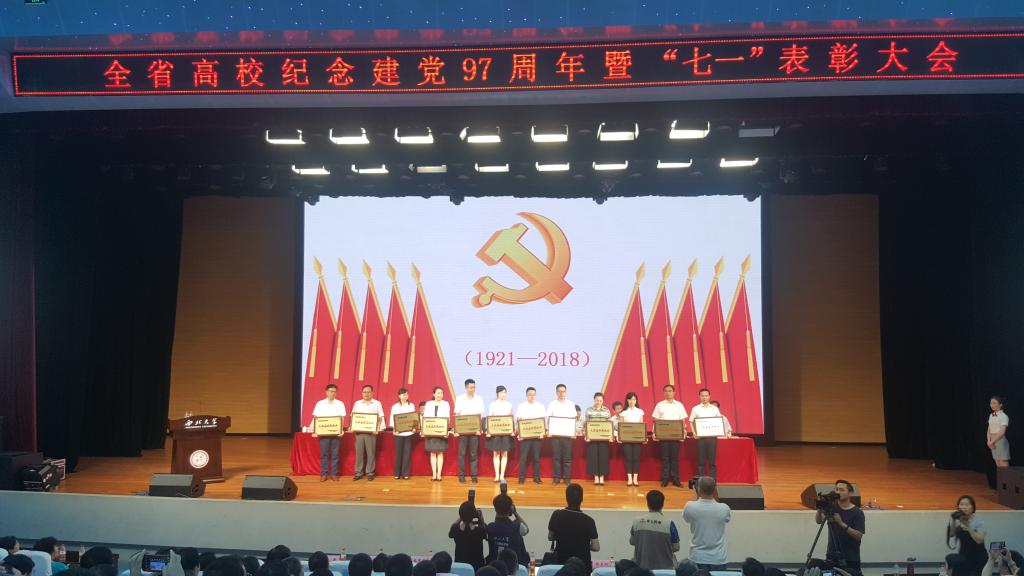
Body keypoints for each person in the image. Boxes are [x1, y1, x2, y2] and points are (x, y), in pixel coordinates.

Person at [814, 479, 865, 576]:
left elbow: (859, 536)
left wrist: (841, 523)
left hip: (850, 558)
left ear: (850, 493)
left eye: (842, 490)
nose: (838, 492)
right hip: (831, 556)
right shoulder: (832, 507)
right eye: (837, 489)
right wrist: (820, 508)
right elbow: (819, 521)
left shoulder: (857, 512)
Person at [548, 483, 600, 573]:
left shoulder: (556, 515)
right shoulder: (589, 521)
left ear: (566, 498)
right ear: (582, 499)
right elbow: (596, 547)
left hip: (562, 565)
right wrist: (582, 544)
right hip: (583, 567)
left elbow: (550, 537)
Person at [681, 476, 731, 571]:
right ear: (714, 489)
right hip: (718, 558)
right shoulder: (724, 508)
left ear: (699, 490)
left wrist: (695, 494)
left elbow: (687, 518)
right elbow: (725, 516)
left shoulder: (689, 506)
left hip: (697, 557)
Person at [630, 490, 681, 569]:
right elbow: (676, 547)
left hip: (642, 569)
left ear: (647, 504)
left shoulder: (636, 521)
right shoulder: (669, 524)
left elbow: (632, 541)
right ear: (663, 504)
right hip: (665, 570)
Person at [652, 384, 688, 488]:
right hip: (664, 435)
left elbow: (682, 420)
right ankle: (665, 479)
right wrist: (654, 432)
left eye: (670, 391)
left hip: (676, 435)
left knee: (675, 458)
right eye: (666, 391)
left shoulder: (679, 405)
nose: (668, 393)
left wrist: (683, 433)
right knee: (665, 458)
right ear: (663, 393)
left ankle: (676, 480)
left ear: (674, 392)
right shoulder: (659, 405)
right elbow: (656, 420)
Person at [309, 383, 346, 481]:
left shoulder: (340, 404)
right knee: (324, 454)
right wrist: (315, 430)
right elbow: (316, 418)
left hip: (336, 433)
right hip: (323, 433)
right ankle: (323, 474)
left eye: (335, 391)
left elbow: (342, 418)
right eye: (331, 391)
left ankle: (334, 474)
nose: (333, 393)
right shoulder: (320, 404)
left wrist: (341, 430)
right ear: (326, 392)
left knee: (335, 455)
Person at [350, 384, 386, 481]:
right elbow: (353, 416)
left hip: (371, 432)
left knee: (371, 453)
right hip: (359, 432)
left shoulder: (377, 403)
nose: (366, 394)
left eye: (368, 392)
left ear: (372, 393)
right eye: (364, 392)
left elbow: (380, 417)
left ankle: (370, 472)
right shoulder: (357, 403)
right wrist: (352, 427)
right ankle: (358, 472)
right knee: (359, 453)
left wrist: (378, 429)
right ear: (362, 393)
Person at [946, 495, 987, 576]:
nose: (964, 507)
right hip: (963, 557)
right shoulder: (960, 521)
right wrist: (953, 520)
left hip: (978, 558)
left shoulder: (979, 522)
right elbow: (951, 534)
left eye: (967, 505)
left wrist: (968, 527)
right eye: (961, 504)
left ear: (973, 507)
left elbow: (979, 540)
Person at [455, 379, 486, 484]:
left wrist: (479, 429)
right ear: (466, 388)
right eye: (470, 387)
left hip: (474, 431)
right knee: (462, 454)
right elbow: (457, 415)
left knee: (474, 454)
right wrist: (457, 430)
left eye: (474, 387)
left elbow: (480, 416)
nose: (472, 389)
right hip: (462, 431)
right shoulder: (460, 398)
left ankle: (474, 476)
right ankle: (461, 475)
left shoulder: (479, 399)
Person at [486, 494, 530, 566]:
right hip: (514, 566)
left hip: (495, 566)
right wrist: (515, 513)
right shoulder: (518, 527)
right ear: (510, 509)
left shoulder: (490, 527)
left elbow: (496, 523)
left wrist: (499, 510)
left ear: (495, 509)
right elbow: (527, 529)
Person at [548, 384, 577, 484]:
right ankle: (556, 478)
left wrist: (573, 431)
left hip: (567, 435)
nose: (561, 393)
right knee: (556, 457)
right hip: (555, 435)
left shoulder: (571, 404)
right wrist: (549, 430)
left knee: (567, 458)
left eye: (563, 391)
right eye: (559, 391)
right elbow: (549, 418)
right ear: (556, 392)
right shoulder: (552, 404)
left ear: (566, 392)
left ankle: (567, 478)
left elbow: (574, 418)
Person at [516, 387, 546, 484]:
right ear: (526, 396)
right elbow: (519, 421)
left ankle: (537, 477)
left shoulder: (540, 406)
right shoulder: (521, 406)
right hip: (525, 437)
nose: (532, 396)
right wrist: (520, 433)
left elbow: (542, 421)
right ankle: (521, 477)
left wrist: (542, 432)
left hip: (537, 437)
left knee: (536, 458)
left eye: (534, 394)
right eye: (530, 394)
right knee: (523, 458)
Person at [689, 389, 721, 479]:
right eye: (702, 396)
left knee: (712, 461)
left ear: (709, 396)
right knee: (701, 461)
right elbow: (691, 421)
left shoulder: (714, 409)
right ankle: (701, 480)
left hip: (712, 438)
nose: (704, 398)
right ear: (699, 397)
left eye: (706, 396)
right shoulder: (695, 408)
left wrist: (718, 431)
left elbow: (719, 421)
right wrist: (694, 432)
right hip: (700, 438)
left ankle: (713, 480)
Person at [486, 386, 514, 483]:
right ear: (497, 393)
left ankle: (502, 476)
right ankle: (497, 475)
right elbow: (490, 418)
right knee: (496, 453)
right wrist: (488, 431)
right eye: (501, 392)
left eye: (505, 392)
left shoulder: (509, 404)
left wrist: (511, 430)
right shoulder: (492, 404)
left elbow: (510, 418)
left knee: (504, 454)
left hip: (505, 432)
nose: (503, 394)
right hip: (495, 432)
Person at [424, 386, 451, 481]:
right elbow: (426, 418)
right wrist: (425, 431)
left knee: (440, 452)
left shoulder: (446, 404)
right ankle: (434, 474)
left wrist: (446, 431)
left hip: (441, 431)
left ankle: (439, 474)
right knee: (432, 453)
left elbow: (447, 418)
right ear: (434, 394)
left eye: (441, 393)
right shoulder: (428, 404)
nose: (440, 395)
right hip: (431, 430)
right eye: (438, 393)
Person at [449, 501, 487, 570]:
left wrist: (462, 516)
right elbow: (485, 531)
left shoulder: (455, 529)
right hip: (477, 568)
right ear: (474, 514)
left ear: (460, 514)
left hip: (461, 567)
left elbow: (452, 529)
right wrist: (480, 517)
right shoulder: (480, 530)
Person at [585, 393, 612, 486]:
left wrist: (610, 436)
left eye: (600, 400)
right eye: (597, 400)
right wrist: (587, 435)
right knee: (593, 456)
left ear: (603, 401)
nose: (598, 402)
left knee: (603, 456)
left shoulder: (606, 410)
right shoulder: (589, 410)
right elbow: (586, 423)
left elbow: (609, 424)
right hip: (592, 437)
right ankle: (596, 477)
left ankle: (602, 477)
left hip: (603, 437)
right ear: (594, 400)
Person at [620, 392, 646, 487]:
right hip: (626, 439)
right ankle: (629, 479)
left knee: (636, 458)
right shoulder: (623, 412)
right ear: (627, 400)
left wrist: (643, 437)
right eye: (630, 399)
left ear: (636, 401)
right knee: (628, 458)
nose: (632, 401)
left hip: (637, 439)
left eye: (634, 399)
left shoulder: (640, 411)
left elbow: (641, 425)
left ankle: (635, 479)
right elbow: (621, 426)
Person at [390, 387, 417, 480]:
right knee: (398, 453)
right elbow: (392, 419)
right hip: (398, 433)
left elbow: (414, 418)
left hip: (408, 433)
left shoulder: (411, 405)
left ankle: (405, 473)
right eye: (403, 394)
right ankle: (397, 473)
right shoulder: (395, 406)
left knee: (407, 453)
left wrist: (414, 427)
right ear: (399, 396)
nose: (405, 396)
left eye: (406, 394)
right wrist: (394, 429)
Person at [988, 396, 1010, 468]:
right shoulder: (991, 415)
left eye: (994, 403)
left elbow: (1002, 432)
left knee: (1003, 463)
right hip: (992, 441)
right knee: (997, 463)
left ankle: (1007, 476)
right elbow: (989, 429)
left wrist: (992, 442)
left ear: (1000, 405)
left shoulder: (1004, 416)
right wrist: (988, 440)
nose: (992, 405)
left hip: (1000, 440)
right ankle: (1001, 477)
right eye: (991, 403)